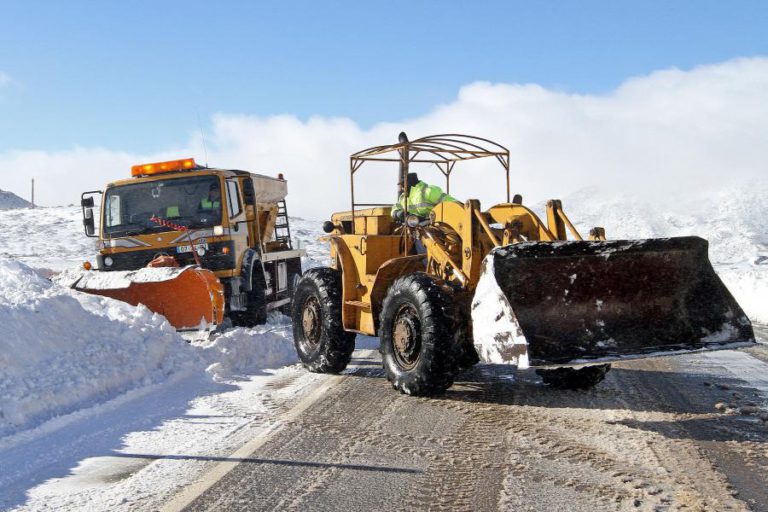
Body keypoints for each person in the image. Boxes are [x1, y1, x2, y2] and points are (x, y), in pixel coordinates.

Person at [391, 172, 457, 222]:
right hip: (411, 226)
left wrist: (463, 207)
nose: (402, 188)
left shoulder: (428, 191)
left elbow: (450, 203)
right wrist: (397, 213)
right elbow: (395, 208)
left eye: (403, 185)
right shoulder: (403, 198)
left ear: (408, 184)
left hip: (432, 224)